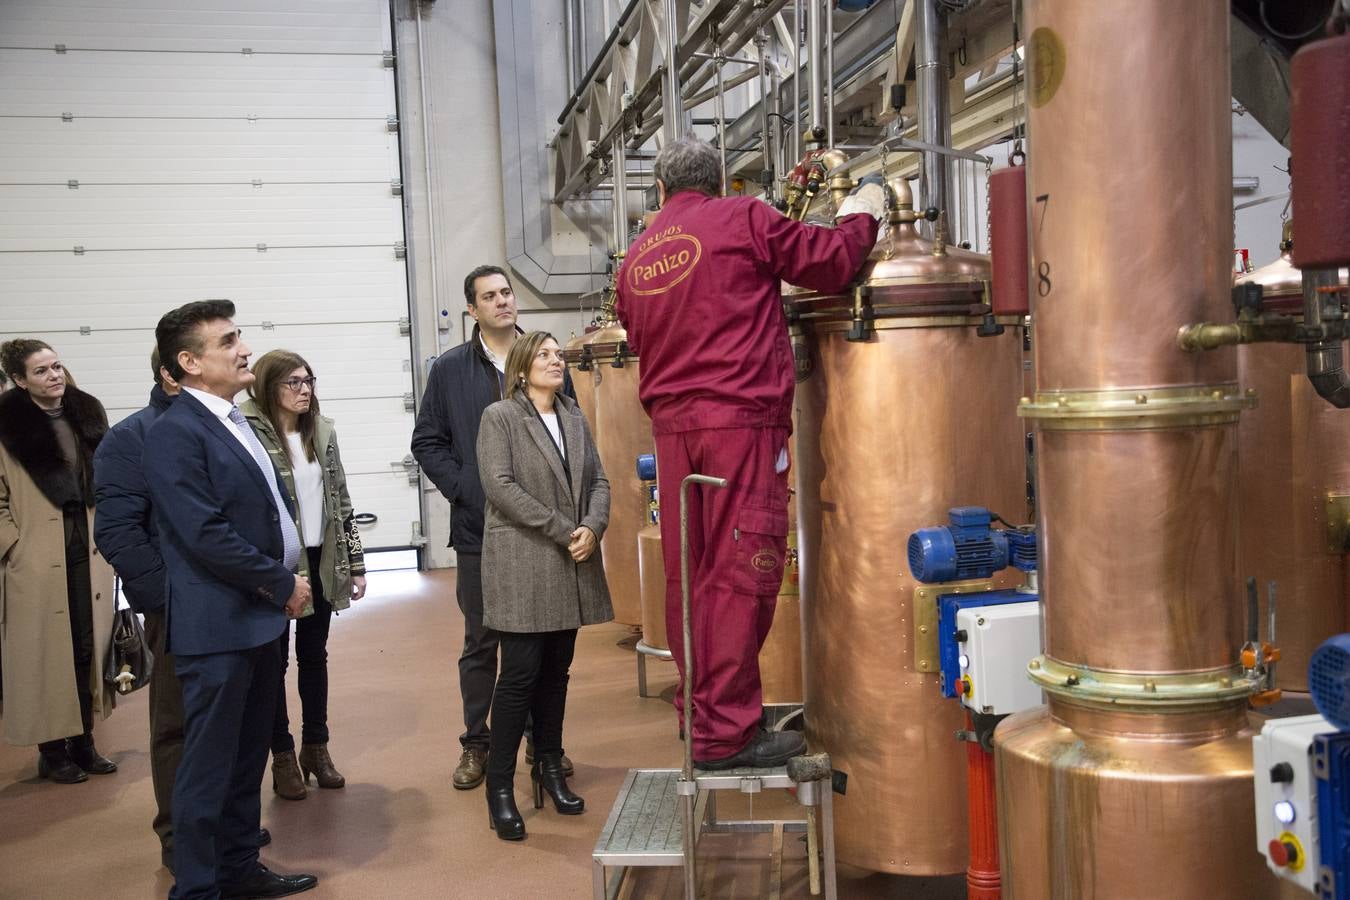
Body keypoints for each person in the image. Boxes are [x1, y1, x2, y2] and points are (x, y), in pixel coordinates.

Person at [614, 136, 884, 770]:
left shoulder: (637, 258)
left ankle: (701, 712)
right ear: (721, 181)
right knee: (744, 568)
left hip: (675, 434)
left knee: (691, 574)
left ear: (659, 190)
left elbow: (638, 329)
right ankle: (728, 733)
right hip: (740, 426)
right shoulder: (743, 218)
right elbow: (833, 262)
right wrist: (864, 210)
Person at [143, 300, 317, 900]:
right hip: (218, 627)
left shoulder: (235, 420)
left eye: (238, 337)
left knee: (246, 760)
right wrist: (281, 581)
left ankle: (240, 869)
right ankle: (196, 888)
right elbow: (205, 533)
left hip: (258, 622)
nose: (245, 350)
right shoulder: (173, 433)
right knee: (208, 767)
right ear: (189, 362)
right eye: (228, 342)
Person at [411, 264, 576, 790]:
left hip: (542, 532)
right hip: (481, 532)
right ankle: (476, 745)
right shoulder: (450, 370)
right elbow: (427, 441)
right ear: (472, 310)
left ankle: (539, 744)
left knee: (541, 642)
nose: (503, 301)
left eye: (507, 292)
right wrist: (468, 489)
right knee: (482, 641)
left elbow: (568, 435)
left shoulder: (546, 358)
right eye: (490, 296)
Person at [476, 331, 612, 841]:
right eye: (546, 354)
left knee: (558, 672)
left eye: (560, 354)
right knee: (519, 676)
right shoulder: (501, 417)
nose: (557, 360)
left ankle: (550, 769)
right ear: (522, 364)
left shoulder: (574, 416)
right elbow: (500, 485)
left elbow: (599, 480)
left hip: (570, 559)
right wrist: (565, 529)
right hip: (524, 559)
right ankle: (500, 788)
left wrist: (593, 528)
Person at [241, 350, 367, 801]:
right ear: (267, 387)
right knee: (274, 664)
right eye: (292, 382)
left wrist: (355, 564)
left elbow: (343, 501)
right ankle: (283, 756)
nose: (303, 390)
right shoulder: (247, 431)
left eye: (307, 380)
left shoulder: (322, 430)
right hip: (275, 566)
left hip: (320, 560)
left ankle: (317, 747)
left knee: (315, 656)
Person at [0, 339, 117, 783]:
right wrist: (15, 545)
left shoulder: (87, 414)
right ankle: (52, 751)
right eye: (42, 371)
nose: (54, 376)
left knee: (88, 646)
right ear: (19, 380)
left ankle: (84, 741)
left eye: (57, 366)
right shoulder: (7, 428)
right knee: (47, 653)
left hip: (87, 551)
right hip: (35, 556)